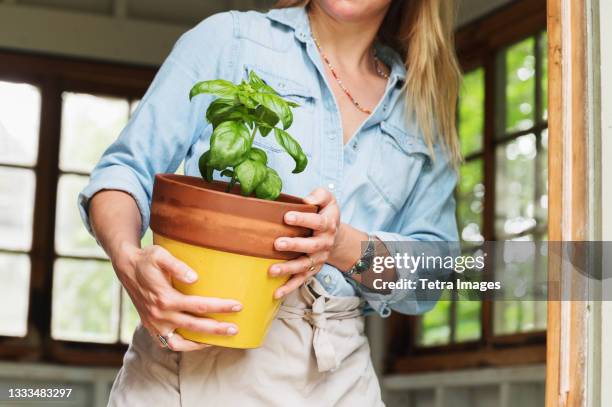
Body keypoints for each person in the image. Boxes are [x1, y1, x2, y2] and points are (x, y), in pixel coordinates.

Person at [79, 0, 461, 405]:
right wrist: (128, 260)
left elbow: (434, 274)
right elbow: (122, 172)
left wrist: (342, 245)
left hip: (339, 379)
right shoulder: (229, 39)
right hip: (193, 361)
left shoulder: (424, 110)